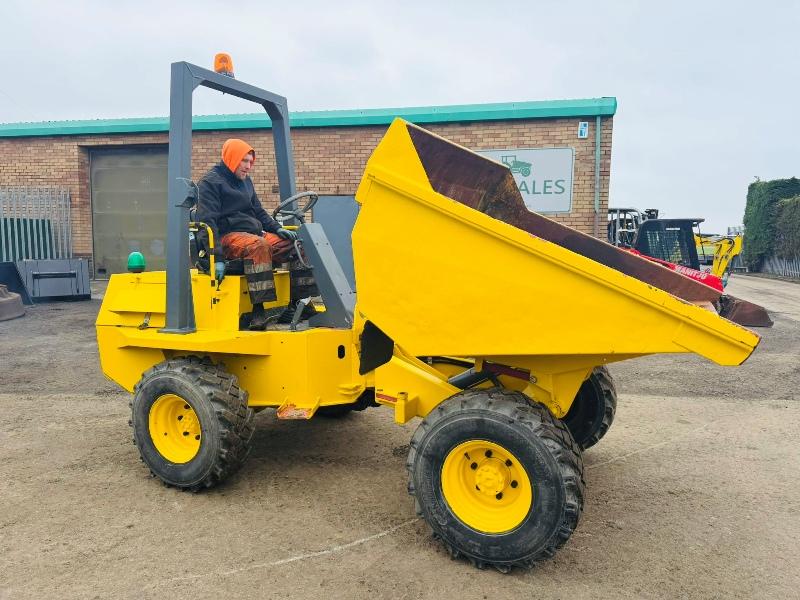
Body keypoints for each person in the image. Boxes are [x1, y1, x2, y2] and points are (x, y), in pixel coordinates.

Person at [196, 138, 317, 329]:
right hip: (226, 237)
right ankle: (258, 311)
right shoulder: (210, 183)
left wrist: (277, 228)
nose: (248, 166)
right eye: (244, 161)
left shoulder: (246, 182)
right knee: (259, 246)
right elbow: (207, 223)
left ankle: (300, 303)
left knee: (297, 245)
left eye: (250, 162)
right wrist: (216, 256)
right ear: (231, 158)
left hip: (253, 234)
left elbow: (259, 211)